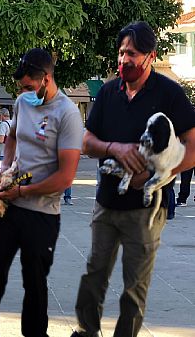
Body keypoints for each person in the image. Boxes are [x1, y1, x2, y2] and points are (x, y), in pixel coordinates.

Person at [72, 21, 195, 337]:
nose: (124, 59)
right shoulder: (110, 91)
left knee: (134, 285)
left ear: (150, 56)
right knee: (93, 274)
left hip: (146, 208)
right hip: (107, 201)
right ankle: (87, 332)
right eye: (121, 52)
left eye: (132, 53)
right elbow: (86, 141)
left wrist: (156, 173)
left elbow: (192, 146)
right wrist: (113, 147)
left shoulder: (169, 93)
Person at [0, 48, 83, 337]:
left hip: (42, 213)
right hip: (9, 206)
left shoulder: (68, 114)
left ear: (46, 79)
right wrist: (6, 168)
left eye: (28, 86)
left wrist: (23, 191)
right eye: (21, 87)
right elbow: (11, 138)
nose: (23, 92)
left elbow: (66, 176)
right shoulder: (23, 102)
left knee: (34, 282)